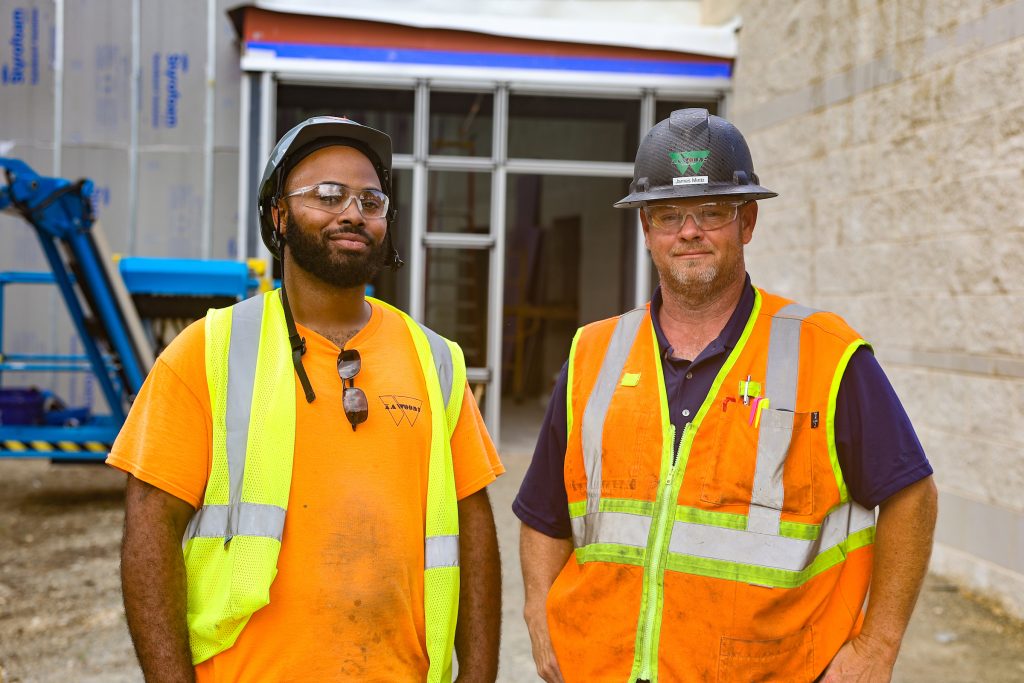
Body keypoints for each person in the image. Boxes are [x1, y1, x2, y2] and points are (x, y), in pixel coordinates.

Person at [514, 108, 937, 683]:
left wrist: (877, 647)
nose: (689, 231)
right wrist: (539, 615)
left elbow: (912, 494)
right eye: (668, 215)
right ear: (646, 229)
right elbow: (544, 512)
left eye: (712, 212)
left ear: (748, 222)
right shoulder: (592, 353)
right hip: (603, 668)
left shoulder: (828, 354)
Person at [110, 116, 504, 683]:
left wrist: (479, 675)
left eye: (371, 200)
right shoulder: (208, 350)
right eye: (327, 195)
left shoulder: (435, 359)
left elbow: (472, 525)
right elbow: (149, 529)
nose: (352, 212)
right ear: (278, 216)